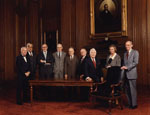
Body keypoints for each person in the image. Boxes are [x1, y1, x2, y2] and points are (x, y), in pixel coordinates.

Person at [121, 41, 139, 109]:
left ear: (132, 45)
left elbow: (135, 62)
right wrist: (123, 66)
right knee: (127, 90)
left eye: (128, 45)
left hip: (132, 74)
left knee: (132, 90)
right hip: (125, 74)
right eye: (126, 45)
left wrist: (127, 67)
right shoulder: (125, 53)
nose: (127, 46)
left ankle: (134, 105)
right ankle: (129, 103)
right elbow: (124, 63)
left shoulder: (135, 52)